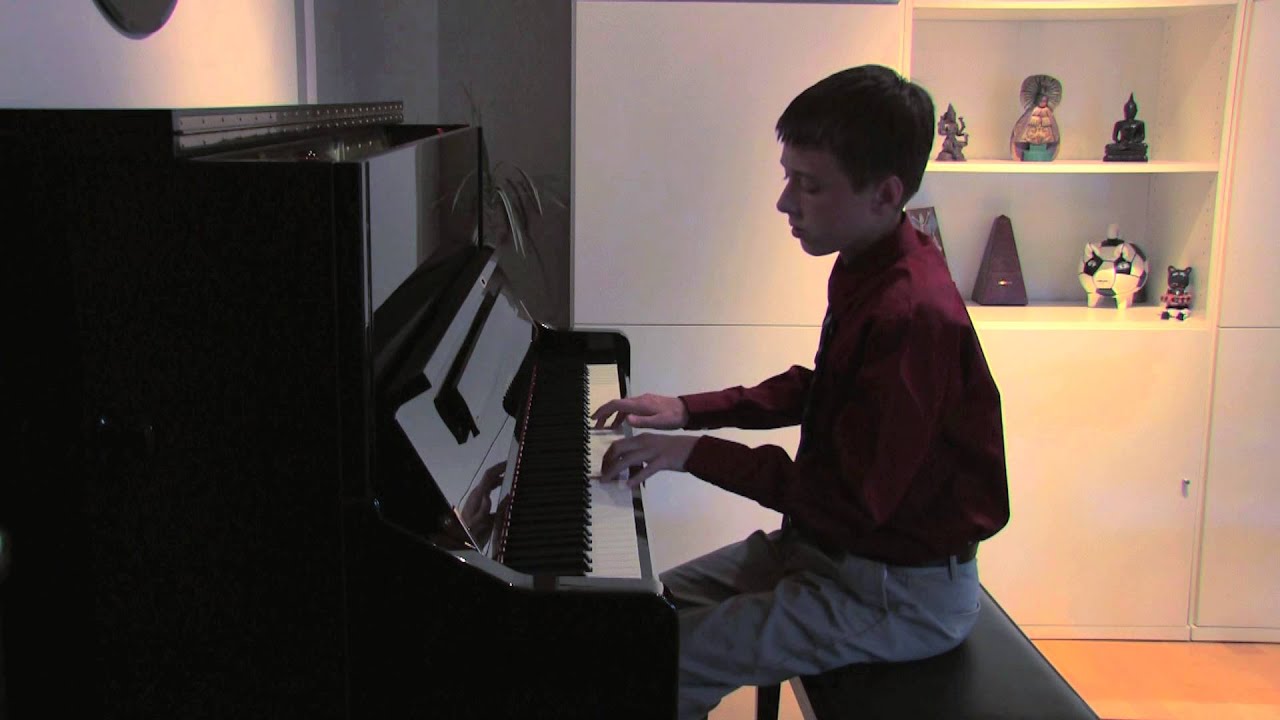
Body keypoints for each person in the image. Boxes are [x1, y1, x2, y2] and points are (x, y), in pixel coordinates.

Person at [591, 64, 1010, 720]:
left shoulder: (911, 312)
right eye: (788, 177)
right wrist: (686, 411)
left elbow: (848, 502)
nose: (786, 203)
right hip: (831, 553)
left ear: (884, 194)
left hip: (897, 591)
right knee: (630, 622)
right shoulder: (870, 259)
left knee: (659, 666)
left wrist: (693, 453)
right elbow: (823, 388)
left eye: (809, 185)